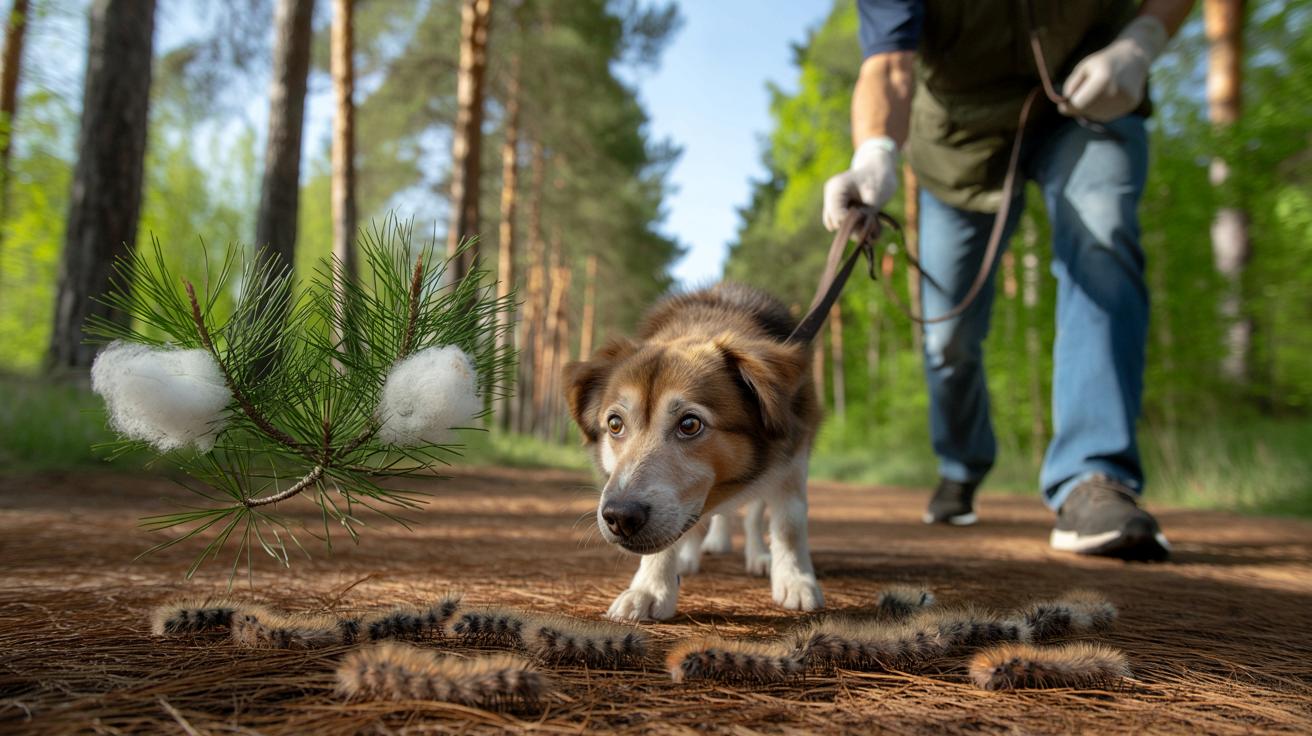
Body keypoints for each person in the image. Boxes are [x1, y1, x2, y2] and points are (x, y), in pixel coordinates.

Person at [824, 0, 1196, 560]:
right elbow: (890, 66)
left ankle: (1092, 477)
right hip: (958, 143)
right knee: (947, 336)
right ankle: (960, 464)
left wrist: (1141, 40)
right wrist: (875, 150)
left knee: (1102, 237)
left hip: (1092, 97)